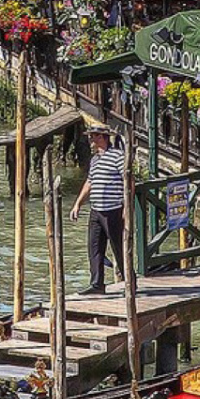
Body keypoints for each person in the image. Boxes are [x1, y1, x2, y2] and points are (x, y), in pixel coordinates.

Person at [74, 124, 128, 293]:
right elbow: (89, 183)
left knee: (119, 247)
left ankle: (128, 280)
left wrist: (126, 207)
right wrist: (78, 204)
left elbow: (128, 182)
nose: (90, 139)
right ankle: (97, 284)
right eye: (90, 136)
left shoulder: (118, 156)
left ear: (102, 137)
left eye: (93, 136)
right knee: (94, 247)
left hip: (113, 210)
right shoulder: (95, 159)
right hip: (96, 210)